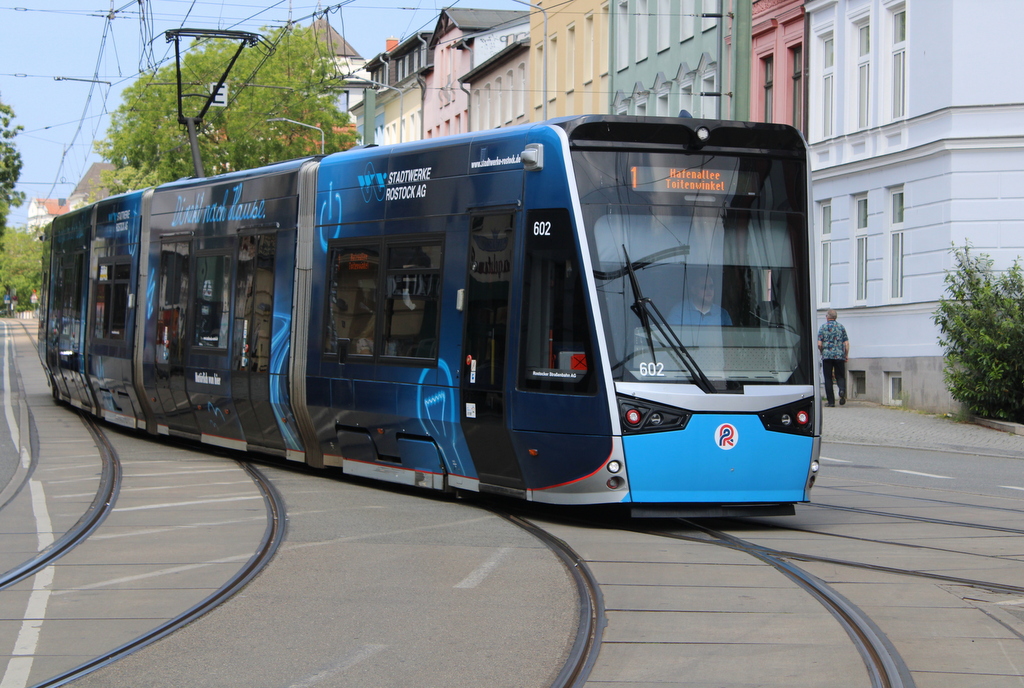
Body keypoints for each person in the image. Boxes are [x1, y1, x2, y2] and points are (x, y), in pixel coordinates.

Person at [668, 269, 732, 326]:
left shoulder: (722, 314)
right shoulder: (679, 311)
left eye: (711, 287)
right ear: (693, 290)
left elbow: (729, 338)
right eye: (703, 287)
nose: (709, 291)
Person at [817, 309, 849, 407]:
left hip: (827, 356)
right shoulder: (841, 327)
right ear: (836, 317)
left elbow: (819, 344)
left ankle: (831, 402)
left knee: (828, 378)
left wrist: (822, 351)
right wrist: (846, 355)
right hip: (839, 355)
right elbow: (846, 343)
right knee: (840, 376)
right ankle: (842, 390)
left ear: (827, 317)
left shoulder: (823, 327)